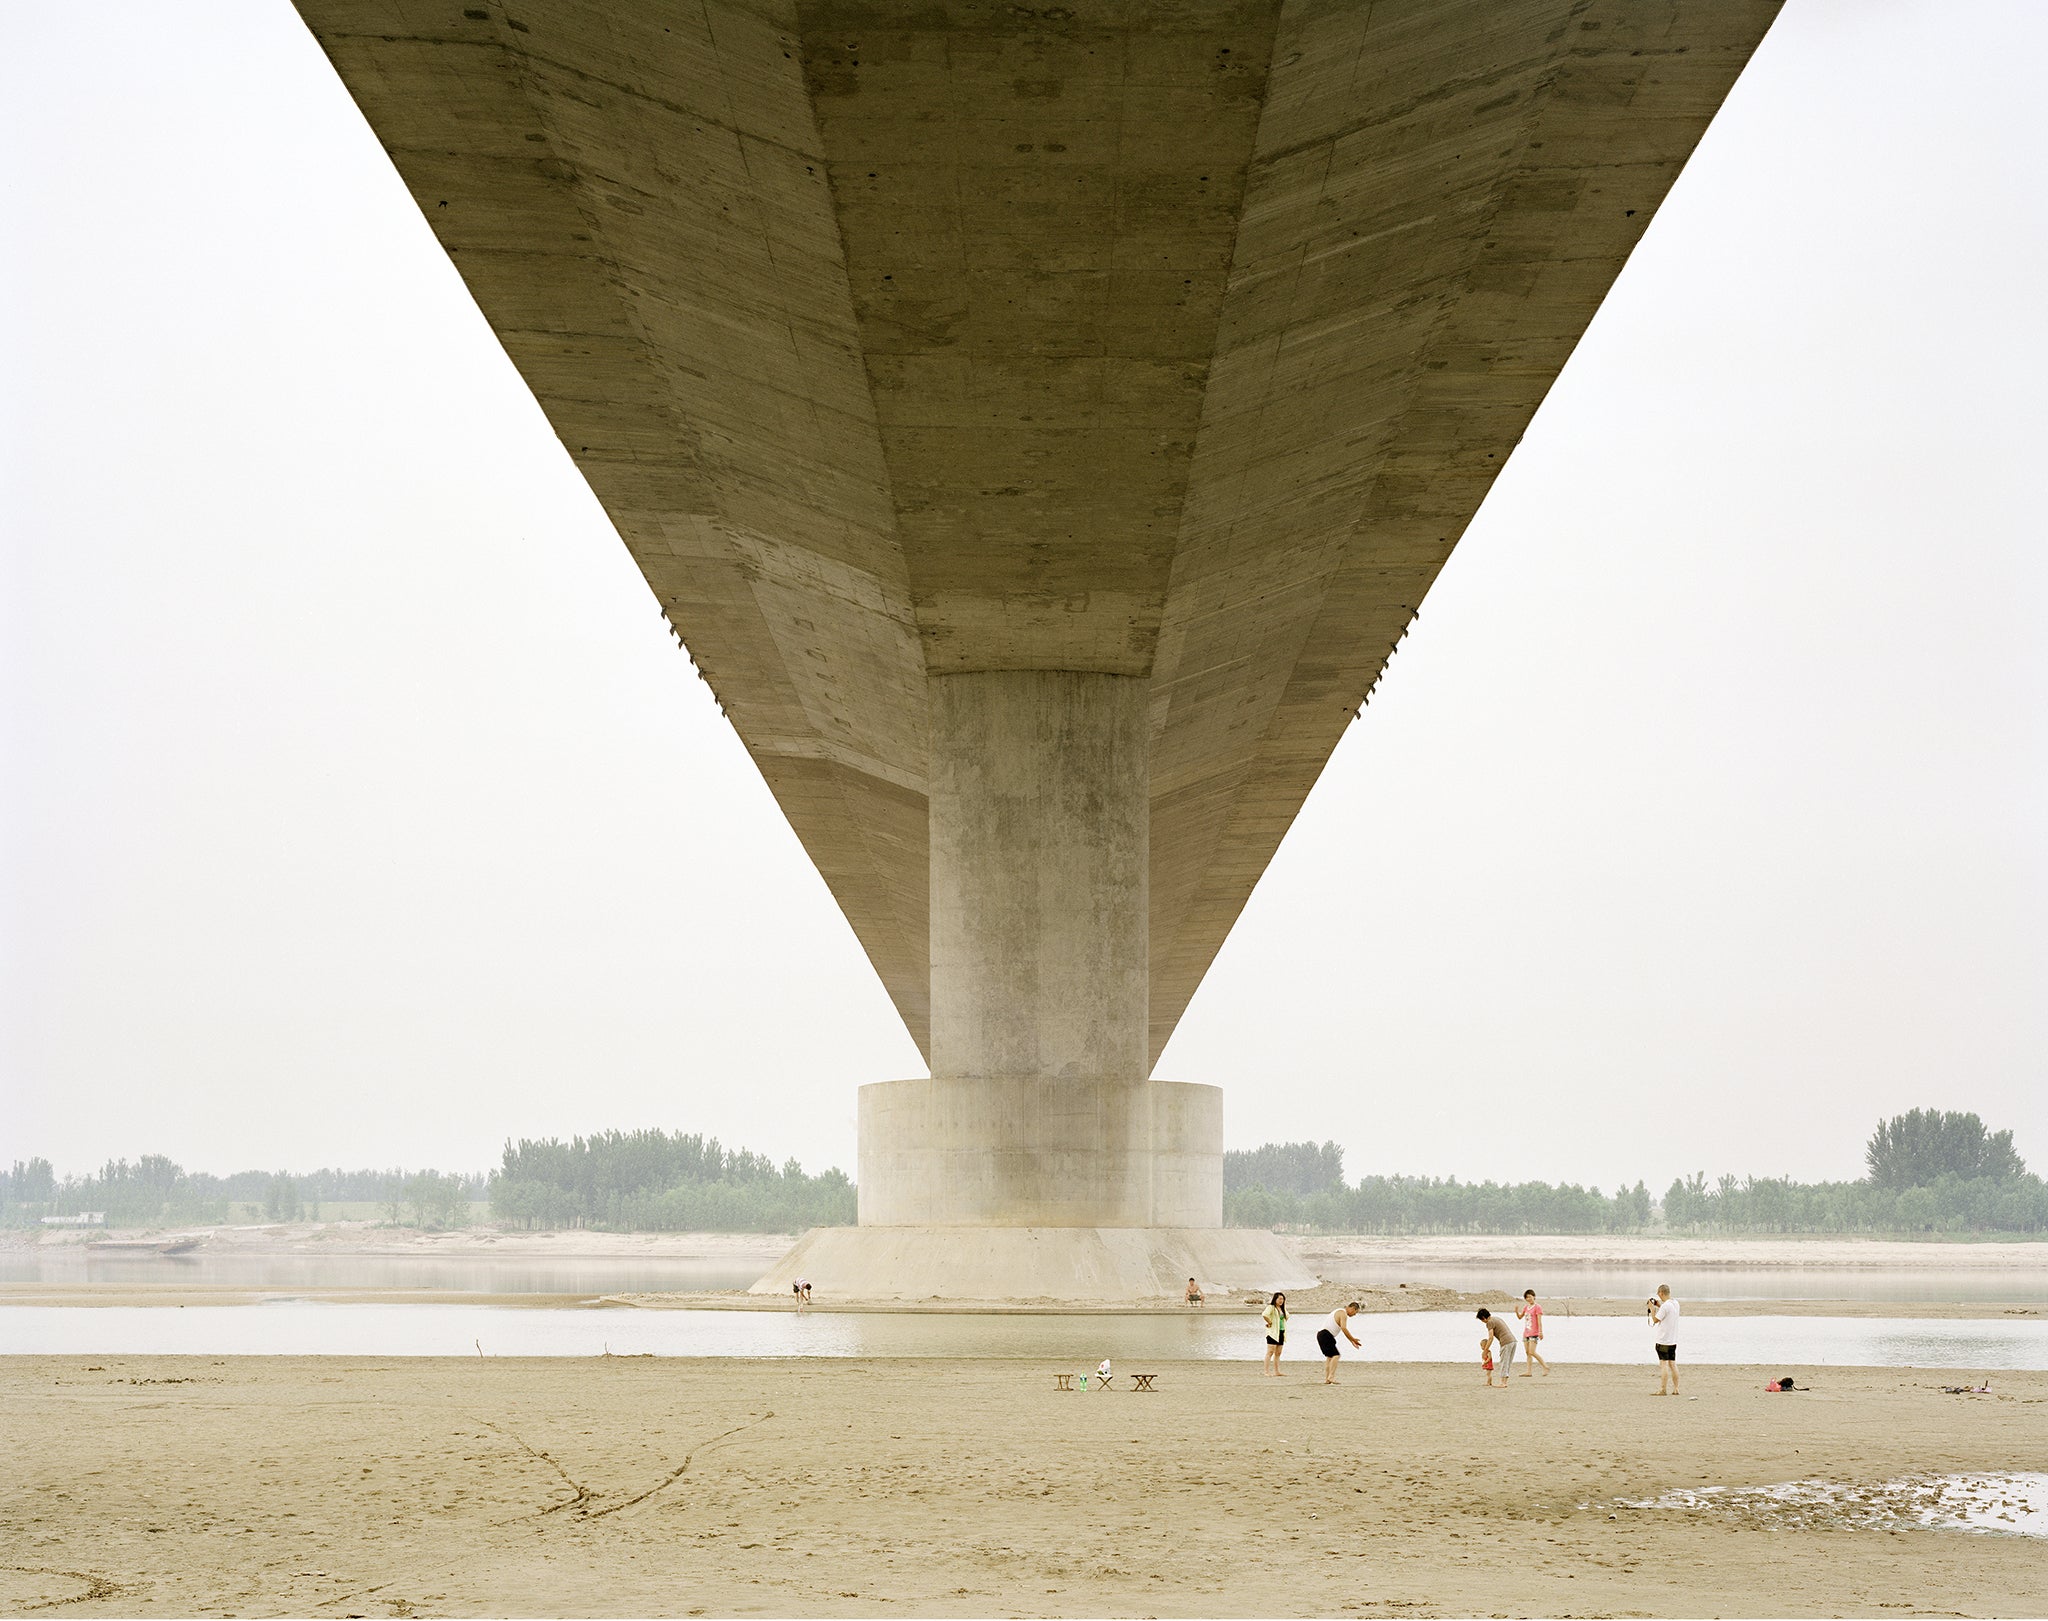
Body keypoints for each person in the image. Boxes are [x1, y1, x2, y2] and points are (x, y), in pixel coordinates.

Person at [1317, 1302, 1361, 1384]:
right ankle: (1331, 1377)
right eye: (1356, 1312)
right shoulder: (1343, 1313)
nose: (1355, 1315)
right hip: (1326, 1334)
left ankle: (1327, 1379)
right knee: (1336, 1355)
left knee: (1330, 1357)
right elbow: (1344, 1328)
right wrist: (1353, 1340)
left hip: (1321, 1334)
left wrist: (1352, 1340)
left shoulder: (1339, 1311)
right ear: (1352, 1308)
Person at [1649, 1284, 1681, 1395]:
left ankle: (1663, 1389)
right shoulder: (1675, 1303)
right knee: (1672, 1364)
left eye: (1658, 1294)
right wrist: (1659, 1304)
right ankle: (1676, 1389)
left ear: (1661, 1293)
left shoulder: (1665, 1307)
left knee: (1663, 1365)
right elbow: (1667, 1309)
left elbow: (1655, 1319)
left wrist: (1652, 1309)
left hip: (1663, 1340)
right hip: (1673, 1340)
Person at [1515, 1288, 1549, 1376]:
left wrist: (1540, 1332)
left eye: (1530, 1297)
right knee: (1527, 1353)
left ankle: (1545, 1366)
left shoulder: (1538, 1307)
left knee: (1532, 1352)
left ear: (1534, 1297)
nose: (1528, 1299)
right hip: (1526, 1332)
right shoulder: (1526, 1307)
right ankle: (1529, 1371)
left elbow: (1539, 1321)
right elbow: (1520, 1317)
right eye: (1527, 1297)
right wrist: (1516, 1311)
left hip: (1534, 1333)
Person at [1476, 1309, 1516, 1384]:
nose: (1482, 1322)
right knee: (1507, 1363)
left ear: (1483, 1318)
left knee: (1504, 1362)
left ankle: (1503, 1383)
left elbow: (1491, 1338)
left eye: (1481, 1320)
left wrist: (1485, 1351)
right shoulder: (1497, 1318)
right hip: (1513, 1341)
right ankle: (1505, 1382)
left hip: (1506, 1342)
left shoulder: (1489, 1322)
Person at [1262, 1292, 1288, 1376]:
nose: (1281, 1301)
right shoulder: (1271, 1307)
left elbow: (1286, 1317)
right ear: (1275, 1299)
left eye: (1282, 1299)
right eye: (1279, 1299)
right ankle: (1266, 1371)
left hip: (1281, 1332)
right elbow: (1265, 1315)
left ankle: (1277, 1371)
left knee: (1278, 1353)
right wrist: (1269, 1322)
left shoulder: (1282, 1308)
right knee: (1270, 1352)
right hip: (1272, 1333)